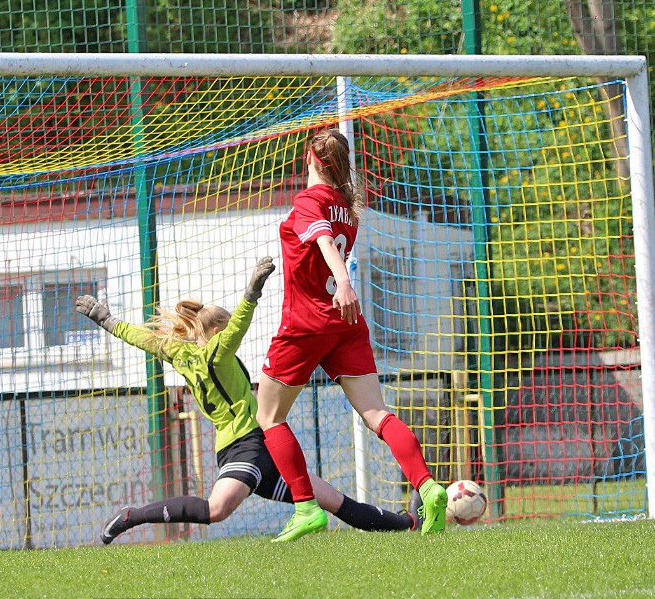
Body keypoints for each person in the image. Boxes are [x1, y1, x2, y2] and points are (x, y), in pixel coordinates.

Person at [76, 258, 417, 545]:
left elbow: (144, 339)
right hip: (247, 447)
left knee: (330, 499)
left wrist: (107, 321)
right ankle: (130, 517)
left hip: (257, 447)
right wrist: (251, 294)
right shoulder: (218, 353)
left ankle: (407, 524)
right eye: (222, 330)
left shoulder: (178, 352)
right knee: (216, 510)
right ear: (216, 331)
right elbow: (238, 326)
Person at [255, 128, 447, 542]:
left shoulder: (311, 201)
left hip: (308, 322)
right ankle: (428, 486)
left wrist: (343, 282)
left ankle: (306, 507)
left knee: (268, 416)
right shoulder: (347, 207)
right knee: (377, 413)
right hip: (346, 325)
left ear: (309, 158)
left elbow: (322, 241)